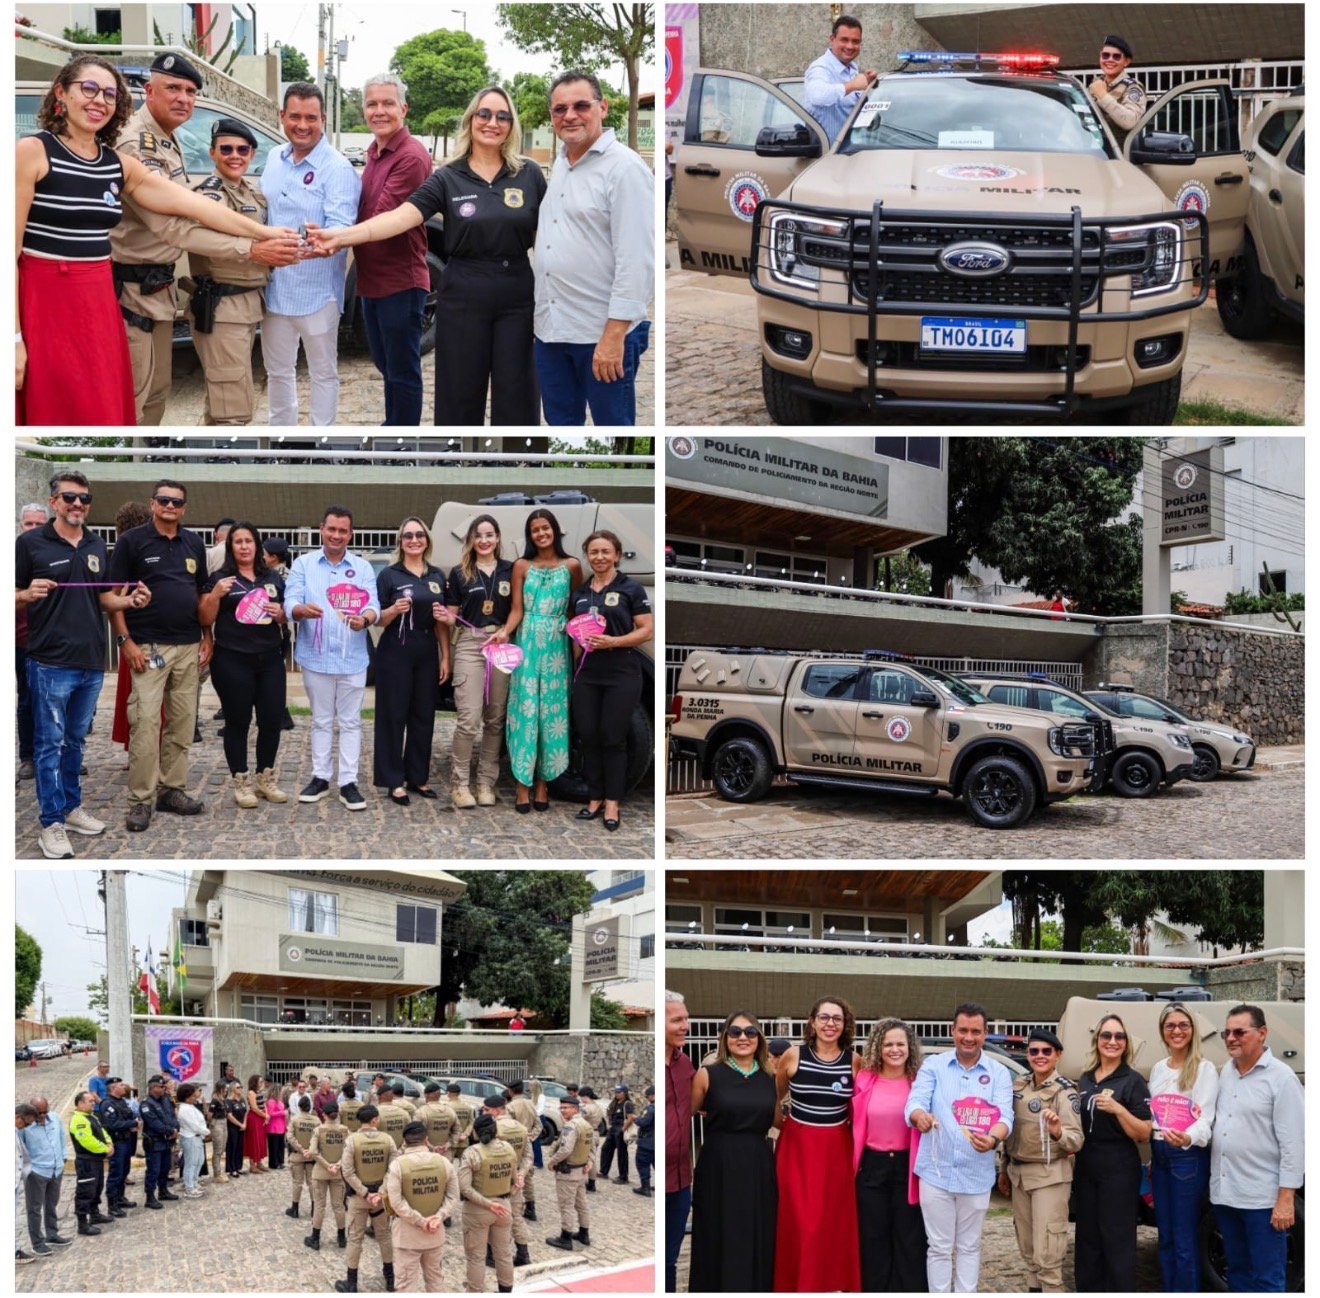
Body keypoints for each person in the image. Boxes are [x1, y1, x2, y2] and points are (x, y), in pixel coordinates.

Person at [16, 55, 296, 426]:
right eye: (88, 89)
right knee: (63, 401)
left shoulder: (116, 161)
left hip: (101, 297)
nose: (99, 100)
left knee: (114, 402)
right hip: (56, 296)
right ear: (60, 94)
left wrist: (263, 232)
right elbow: (10, 253)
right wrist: (13, 337)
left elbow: (191, 204)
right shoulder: (34, 152)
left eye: (109, 94)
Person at [314, 85, 545, 426]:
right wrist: (342, 236)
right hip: (464, 292)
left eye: (502, 116)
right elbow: (399, 217)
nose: (492, 123)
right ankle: (458, 464)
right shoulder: (448, 177)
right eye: (484, 114)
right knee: (459, 388)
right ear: (470, 120)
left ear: (512, 125)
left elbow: (550, 237)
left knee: (517, 388)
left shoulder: (528, 174)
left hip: (517, 295)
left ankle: (516, 466)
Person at [109, 53, 301, 425]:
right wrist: (254, 246)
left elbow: (185, 210)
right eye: (173, 89)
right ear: (149, 91)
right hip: (132, 290)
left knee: (156, 395)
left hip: (157, 289)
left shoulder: (166, 138)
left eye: (191, 91)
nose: (183, 98)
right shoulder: (138, 143)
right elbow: (173, 226)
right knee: (134, 401)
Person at [16, 471, 150, 857]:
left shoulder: (95, 544)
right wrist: (25, 593)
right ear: (54, 501)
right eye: (70, 497)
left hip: (91, 662)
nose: (78, 505)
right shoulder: (29, 544)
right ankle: (51, 823)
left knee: (75, 741)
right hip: (50, 663)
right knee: (48, 744)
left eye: (85, 499)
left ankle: (72, 808)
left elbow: (104, 599)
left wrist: (129, 602)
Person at [533, 71, 654, 426]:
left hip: (599, 334)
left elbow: (637, 261)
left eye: (580, 105)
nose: (569, 115)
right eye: (559, 109)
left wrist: (614, 336)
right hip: (552, 330)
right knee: (561, 430)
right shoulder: (563, 163)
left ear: (602, 107)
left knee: (614, 432)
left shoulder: (624, 168)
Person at [106, 478, 209, 832]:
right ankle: (140, 800)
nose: (170, 507)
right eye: (164, 501)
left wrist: (208, 636)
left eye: (177, 503)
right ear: (152, 504)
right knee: (146, 725)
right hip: (147, 647)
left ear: (184, 508)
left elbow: (201, 594)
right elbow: (110, 596)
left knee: (182, 725)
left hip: (188, 645)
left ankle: (171, 790)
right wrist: (125, 642)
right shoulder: (131, 542)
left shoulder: (194, 542)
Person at [261, 82, 360, 425]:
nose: (302, 125)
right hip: (274, 291)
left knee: (323, 373)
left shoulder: (337, 168)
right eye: (295, 116)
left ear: (323, 119)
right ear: (282, 117)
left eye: (311, 118)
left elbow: (340, 229)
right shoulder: (274, 157)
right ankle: (281, 441)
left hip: (318, 293)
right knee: (277, 372)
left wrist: (297, 247)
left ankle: (323, 443)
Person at [906, 1002, 1014, 1294]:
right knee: (938, 1246)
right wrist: (921, 1118)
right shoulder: (933, 1066)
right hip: (935, 1172)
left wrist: (993, 1139)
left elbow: (1006, 1115)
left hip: (976, 1174)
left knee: (969, 1246)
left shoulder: (999, 1073)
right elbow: (915, 1102)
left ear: (985, 1034)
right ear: (952, 1031)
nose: (969, 1037)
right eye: (963, 1030)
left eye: (975, 1031)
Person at [349, 74, 434, 426]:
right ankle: (392, 424)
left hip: (401, 281)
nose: (379, 111)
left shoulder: (410, 156)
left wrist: (333, 234)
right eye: (372, 104)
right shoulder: (375, 152)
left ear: (404, 108)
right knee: (386, 364)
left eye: (387, 103)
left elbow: (378, 216)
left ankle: (405, 435)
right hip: (372, 281)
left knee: (402, 369)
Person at [285, 505, 380, 808]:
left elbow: (373, 605)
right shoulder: (303, 563)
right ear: (321, 529)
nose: (337, 535)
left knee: (351, 722)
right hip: (316, 656)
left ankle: (348, 782)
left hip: (352, 657)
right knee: (322, 720)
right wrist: (300, 611)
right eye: (332, 529)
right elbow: (291, 600)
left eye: (343, 530)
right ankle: (320, 777)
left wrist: (364, 619)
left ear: (350, 533)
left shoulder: (362, 568)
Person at [1210, 1003, 1304, 1293]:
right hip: (1226, 1196)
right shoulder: (1227, 1070)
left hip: (1262, 1201)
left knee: (1267, 1278)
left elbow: (1295, 1143)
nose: (1230, 1038)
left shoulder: (1282, 1078)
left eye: (1239, 1031)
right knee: (1238, 1272)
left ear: (1262, 1033)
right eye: (1226, 1032)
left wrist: (1286, 1198)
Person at [184, 121, 273, 426]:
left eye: (242, 149)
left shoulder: (249, 192)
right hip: (222, 306)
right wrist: (253, 249)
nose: (235, 155)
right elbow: (202, 238)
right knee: (232, 410)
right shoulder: (211, 195)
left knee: (225, 398)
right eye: (226, 149)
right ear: (212, 153)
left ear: (252, 154)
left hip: (245, 305)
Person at [198, 521, 290, 808]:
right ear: (230, 547)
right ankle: (241, 781)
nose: (244, 546)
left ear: (258, 545)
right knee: (238, 722)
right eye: (238, 542)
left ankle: (266, 778)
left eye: (249, 541)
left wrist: (281, 614)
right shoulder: (219, 578)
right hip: (232, 659)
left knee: (271, 721)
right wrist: (215, 596)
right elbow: (204, 618)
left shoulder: (272, 578)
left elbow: (286, 614)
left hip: (270, 659)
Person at [774, 997, 861, 1291]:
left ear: (845, 1024)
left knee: (832, 1223)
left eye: (837, 1018)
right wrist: (785, 1126)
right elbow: (775, 1097)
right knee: (800, 1222)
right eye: (824, 1017)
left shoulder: (854, 1061)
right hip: (797, 1149)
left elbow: (861, 1107)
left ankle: (831, 1284)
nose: (830, 1024)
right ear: (812, 1021)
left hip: (837, 1148)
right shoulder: (792, 1055)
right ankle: (796, 1284)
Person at [569, 530, 653, 830]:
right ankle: (594, 797)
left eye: (605, 551)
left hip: (621, 671)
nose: (600, 557)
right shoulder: (580, 592)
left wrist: (612, 642)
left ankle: (613, 803)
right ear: (587, 556)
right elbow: (575, 631)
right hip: (588, 674)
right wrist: (578, 660)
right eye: (594, 552)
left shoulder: (631, 589)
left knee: (613, 738)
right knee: (589, 736)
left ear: (616, 554)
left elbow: (646, 630)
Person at [688, 1009, 777, 1291]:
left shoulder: (770, 1077)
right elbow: (686, 1114)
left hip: (758, 1163)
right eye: (735, 1032)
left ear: (759, 1038)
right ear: (724, 1038)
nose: (743, 1038)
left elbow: (778, 1120)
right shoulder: (707, 1075)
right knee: (718, 1230)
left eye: (750, 1032)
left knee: (756, 1230)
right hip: (719, 1163)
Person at [440, 514, 519, 808]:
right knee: (469, 718)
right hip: (471, 644)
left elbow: (517, 608)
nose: (484, 540)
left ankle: (486, 781)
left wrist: (505, 631)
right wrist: (442, 616)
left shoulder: (512, 570)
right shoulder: (460, 573)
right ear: (471, 540)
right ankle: (460, 784)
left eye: (489, 534)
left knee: (495, 719)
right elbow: (452, 614)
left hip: (500, 644)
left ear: (498, 538)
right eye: (478, 535)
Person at [997, 1028, 1083, 1295]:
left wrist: (1058, 1131)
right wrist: (1003, 1169)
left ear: (1057, 1055)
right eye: (1034, 1051)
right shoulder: (1019, 1086)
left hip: (1049, 1176)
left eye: (1046, 1051)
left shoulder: (1065, 1092)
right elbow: (1009, 1131)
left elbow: (1076, 1139)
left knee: (1048, 1254)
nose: (1039, 1056)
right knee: (1029, 1250)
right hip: (1019, 1174)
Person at [507, 509, 581, 811]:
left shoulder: (572, 565)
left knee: (551, 716)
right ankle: (521, 784)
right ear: (530, 535)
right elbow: (516, 610)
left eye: (545, 528)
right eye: (535, 529)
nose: (541, 534)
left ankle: (543, 784)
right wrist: (503, 633)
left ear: (555, 530)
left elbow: (576, 611)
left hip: (557, 646)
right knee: (525, 713)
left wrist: (578, 652)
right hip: (527, 643)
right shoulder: (521, 566)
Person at [373, 515, 450, 804]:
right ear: (401, 541)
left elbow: (442, 620)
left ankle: (418, 776)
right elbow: (378, 619)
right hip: (396, 648)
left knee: (423, 715)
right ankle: (393, 780)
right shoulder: (389, 575)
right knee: (393, 715)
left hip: (426, 647)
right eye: (408, 535)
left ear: (427, 540)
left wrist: (446, 657)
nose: (414, 540)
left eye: (419, 535)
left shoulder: (436, 576)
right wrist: (394, 609)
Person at [1073, 1012, 1152, 1290]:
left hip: (1119, 1167)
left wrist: (1119, 1109)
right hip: (1086, 1165)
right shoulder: (1085, 1079)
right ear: (1097, 1041)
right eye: (1106, 1035)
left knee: (1117, 1240)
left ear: (1126, 1043)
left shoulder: (1132, 1080)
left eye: (1119, 1036)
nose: (1112, 1041)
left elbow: (1144, 1133)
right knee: (1087, 1238)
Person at [852, 1016, 927, 1292]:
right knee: (873, 1237)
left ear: (910, 1047)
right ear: (877, 1048)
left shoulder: (919, 1080)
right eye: (888, 1044)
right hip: (872, 1165)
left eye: (900, 1044)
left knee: (909, 1237)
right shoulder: (864, 1079)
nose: (894, 1050)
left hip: (909, 1167)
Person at [1146, 1002, 1218, 1292]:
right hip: (1160, 1155)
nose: (1177, 1031)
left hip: (1187, 1157)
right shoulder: (1158, 1068)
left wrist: (1187, 1137)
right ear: (1163, 1032)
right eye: (1170, 1026)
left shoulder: (1204, 1068)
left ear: (1192, 1030)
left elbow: (1207, 1118)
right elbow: (1155, 1115)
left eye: (1183, 1025)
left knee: (1184, 1238)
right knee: (1165, 1236)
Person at [388, 1120, 460, 1292]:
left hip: (407, 1236)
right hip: (434, 1233)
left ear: (404, 1141)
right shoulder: (444, 1162)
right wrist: (439, 1217)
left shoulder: (398, 1165)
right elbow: (453, 1196)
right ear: (426, 1140)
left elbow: (396, 1202)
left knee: (406, 1286)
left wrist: (420, 1221)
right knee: (435, 1280)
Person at [336, 1102, 397, 1294]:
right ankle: (390, 1278)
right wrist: (380, 1191)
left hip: (359, 1198)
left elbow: (347, 1171)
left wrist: (364, 1192)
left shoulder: (352, 1140)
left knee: (355, 1239)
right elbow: (393, 1169)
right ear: (375, 1119)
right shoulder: (387, 1139)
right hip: (380, 1198)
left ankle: (351, 1282)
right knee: (385, 1237)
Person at [108, 501, 154, 755]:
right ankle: (142, 750)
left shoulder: (123, 550)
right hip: (136, 630)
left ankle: (133, 748)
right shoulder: (140, 547)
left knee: (133, 694)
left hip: (131, 630)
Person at [15, 502, 49, 781]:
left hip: (52, 639)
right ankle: (28, 756)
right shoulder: (17, 553)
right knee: (27, 700)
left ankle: (55, 753)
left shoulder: (51, 551)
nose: (34, 529)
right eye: (29, 524)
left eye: (39, 524)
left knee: (55, 702)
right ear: (20, 525)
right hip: (22, 639)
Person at [805, 15, 876, 142]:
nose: (850, 46)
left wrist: (870, 88)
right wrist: (852, 85)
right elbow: (817, 95)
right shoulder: (821, 67)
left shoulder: (853, 69)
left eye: (855, 41)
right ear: (832, 39)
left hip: (856, 152)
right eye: (844, 40)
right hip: (827, 157)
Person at [665, 991, 695, 1292]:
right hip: (660, 1181)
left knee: (670, 1260)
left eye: (685, 1019)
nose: (685, 1025)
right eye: (677, 1020)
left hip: (682, 1182)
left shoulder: (686, 1064)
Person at [486, 1093, 535, 1267]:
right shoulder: (521, 1128)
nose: (484, 1113)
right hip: (515, 1181)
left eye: (486, 1110)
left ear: (496, 1110)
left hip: (496, 1180)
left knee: (492, 1217)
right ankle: (523, 1253)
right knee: (516, 1216)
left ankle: (492, 1255)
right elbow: (529, 1156)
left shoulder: (493, 1128)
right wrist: (521, 1174)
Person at [20, 1096, 71, 1254]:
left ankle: (52, 1233)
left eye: (45, 1112)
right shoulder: (24, 1127)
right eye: (38, 1113)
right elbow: (20, 1149)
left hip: (56, 1169)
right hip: (37, 1172)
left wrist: (63, 1155)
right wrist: (29, 1170)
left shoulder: (54, 1118)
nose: (42, 1116)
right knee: (34, 1209)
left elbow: (61, 1137)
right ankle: (37, 1242)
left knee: (52, 1203)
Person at [543, 1095, 593, 1253]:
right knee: (581, 1204)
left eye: (566, 1108)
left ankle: (565, 1237)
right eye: (561, 1107)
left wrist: (552, 1161)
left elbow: (566, 1149)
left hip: (568, 1172)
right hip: (581, 1170)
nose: (562, 1110)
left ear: (575, 1109)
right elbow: (590, 1147)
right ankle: (584, 1233)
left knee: (566, 1206)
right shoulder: (586, 1125)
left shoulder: (571, 1126)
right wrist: (589, 1162)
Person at [305, 1099, 349, 1252]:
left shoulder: (319, 1130)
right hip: (338, 1173)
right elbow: (348, 1152)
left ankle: (315, 1238)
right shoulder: (344, 1130)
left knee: (319, 1205)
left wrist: (326, 1165)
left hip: (321, 1172)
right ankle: (342, 1237)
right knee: (339, 1206)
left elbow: (313, 1152)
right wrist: (337, 1164)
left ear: (324, 1115)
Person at [69, 1090, 114, 1235]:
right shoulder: (79, 1120)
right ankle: (83, 1224)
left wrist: (109, 1143)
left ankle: (95, 1214)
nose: (93, 1103)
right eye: (90, 1101)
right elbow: (87, 1141)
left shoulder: (91, 1117)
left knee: (97, 1187)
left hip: (96, 1160)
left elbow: (103, 1132)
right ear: (80, 1104)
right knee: (85, 1191)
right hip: (86, 1161)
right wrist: (105, 1149)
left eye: (93, 1101)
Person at [1089, 36, 1146, 145]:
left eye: (1116, 57)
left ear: (1126, 61)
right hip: (1091, 150)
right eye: (1105, 55)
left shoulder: (1132, 88)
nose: (1110, 60)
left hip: (1116, 154)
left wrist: (1103, 96)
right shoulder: (1095, 84)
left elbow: (1129, 121)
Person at [139, 1074, 180, 1208]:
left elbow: (172, 1116)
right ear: (153, 1087)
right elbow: (154, 1123)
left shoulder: (165, 1099)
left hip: (166, 1140)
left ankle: (163, 1191)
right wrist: (171, 1131)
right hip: (154, 1142)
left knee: (165, 1168)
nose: (164, 1088)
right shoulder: (146, 1103)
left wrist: (175, 1129)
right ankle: (150, 1197)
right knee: (153, 1170)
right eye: (162, 1086)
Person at [100, 1078, 140, 1212]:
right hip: (117, 1143)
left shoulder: (121, 1101)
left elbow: (128, 1116)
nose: (124, 1087)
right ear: (113, 1089)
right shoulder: (107, 1104)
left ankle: (120, 1198)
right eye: (121, 1085)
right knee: (115, 1174)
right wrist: (132, 1124)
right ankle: (112, 1205)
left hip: (127, 1140)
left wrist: (134, 1122)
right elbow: (112, 1124)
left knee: (124, 1171)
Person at [505, 1079, 540, 1219]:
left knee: (512, 1175)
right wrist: (531, 1136)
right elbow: (539, 1125)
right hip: (527, 1143)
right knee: (527, 1176)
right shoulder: (531, 1104)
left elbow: (507, 1127)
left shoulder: (510, 1107)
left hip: (513, 1144)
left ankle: (513, 1206)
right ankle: (531, 1207)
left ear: (510, 1090)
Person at [286, 1094, 319, 1217]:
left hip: (297, 1156)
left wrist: (300, 1149)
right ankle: (314, 1209)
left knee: (297, 1182)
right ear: (309, 1107)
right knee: (312, 1183)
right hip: (311, 1157)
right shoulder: (316, 1121)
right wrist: (309, 1150)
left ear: (299, 1107)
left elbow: (289, 1137)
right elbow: (319, 1139)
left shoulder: (295, 1120)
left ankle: (295, 1209)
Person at [175, 1083, 208, 1198]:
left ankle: (194, 1182)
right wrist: (207, 1132)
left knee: (199, 1161)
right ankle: (189, 1187)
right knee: (191, 1163)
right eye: (193, 1096)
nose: (195, 1097)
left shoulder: (191, 1107)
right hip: (190, 1137)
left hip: (197, 1137)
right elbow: (194, 1125)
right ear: (187, 1096)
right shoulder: (185, 1109)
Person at [601, 1084, 634, 1184]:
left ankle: (623, 1177)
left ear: (624, 1093)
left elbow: (630, 1118)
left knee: (622, 1153)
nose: (616, 1094)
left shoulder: (627, 1103)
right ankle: (603, 1171)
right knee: (606, 1148)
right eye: (615, 1092)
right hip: (613, 1130)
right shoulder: (615, 1102)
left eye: (619, 1092)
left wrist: (622, 1130)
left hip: (620, 1130)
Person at [244, 1073, 270, 1175]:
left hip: (261, 1117)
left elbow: (264, 1104)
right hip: (254, 1118)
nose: (262, 1083)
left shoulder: (259, 1092)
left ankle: (259, 1162)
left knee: (261, 1140)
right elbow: (254, 1108)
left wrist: (266, 1115)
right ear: (255, 1082)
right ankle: (252, 1165)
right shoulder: (251, 1093)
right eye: (260, 1081)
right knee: (254, 1140)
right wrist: (265, 1115)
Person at [634, 1085, 656, 1197]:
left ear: (651, 1096)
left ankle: (645, 1188)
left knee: (642, 1164)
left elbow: (643, 1122)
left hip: (647, 1142)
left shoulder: (651, 1109)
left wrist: (635, 1119)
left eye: (647, 1096)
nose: (647, 1098)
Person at [206, 1083, 230, 1184]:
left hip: (224, 1122)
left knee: (222, 1148)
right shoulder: (215, 1100)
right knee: (217, 1149)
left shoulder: (223, 1099)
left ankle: (219, 1172)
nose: (226, 1090)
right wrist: (210, 1126)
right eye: (225, 1088)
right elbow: (210, 1115)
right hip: (217, 1123)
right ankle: (217, 1173)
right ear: (221, 1088)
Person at [225, 1082, 247, 1177]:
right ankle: (232, 1168)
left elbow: (246, 1112)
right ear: (233, 1089)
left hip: (242, 1126)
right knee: (232, 1147)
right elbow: (229, 1116)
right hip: (233, 1127)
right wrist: (240, 1124)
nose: (240, 1089)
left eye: (241, 1087)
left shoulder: (242, 1099)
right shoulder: (229, 1101)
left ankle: (238, 1167)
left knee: (240, 1147)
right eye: (238, 1087)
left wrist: (244, 1124)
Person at [265, 1083, 288, 1170]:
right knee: (274, 1146)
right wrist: (282, 1112)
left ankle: (280, 1161)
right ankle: (274, 1163)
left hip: (281, 1126)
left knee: (280, 1146)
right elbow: (271, 1114)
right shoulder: (271, 1101)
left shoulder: (280, 1101)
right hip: (273, 1127)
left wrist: (285, 1125)